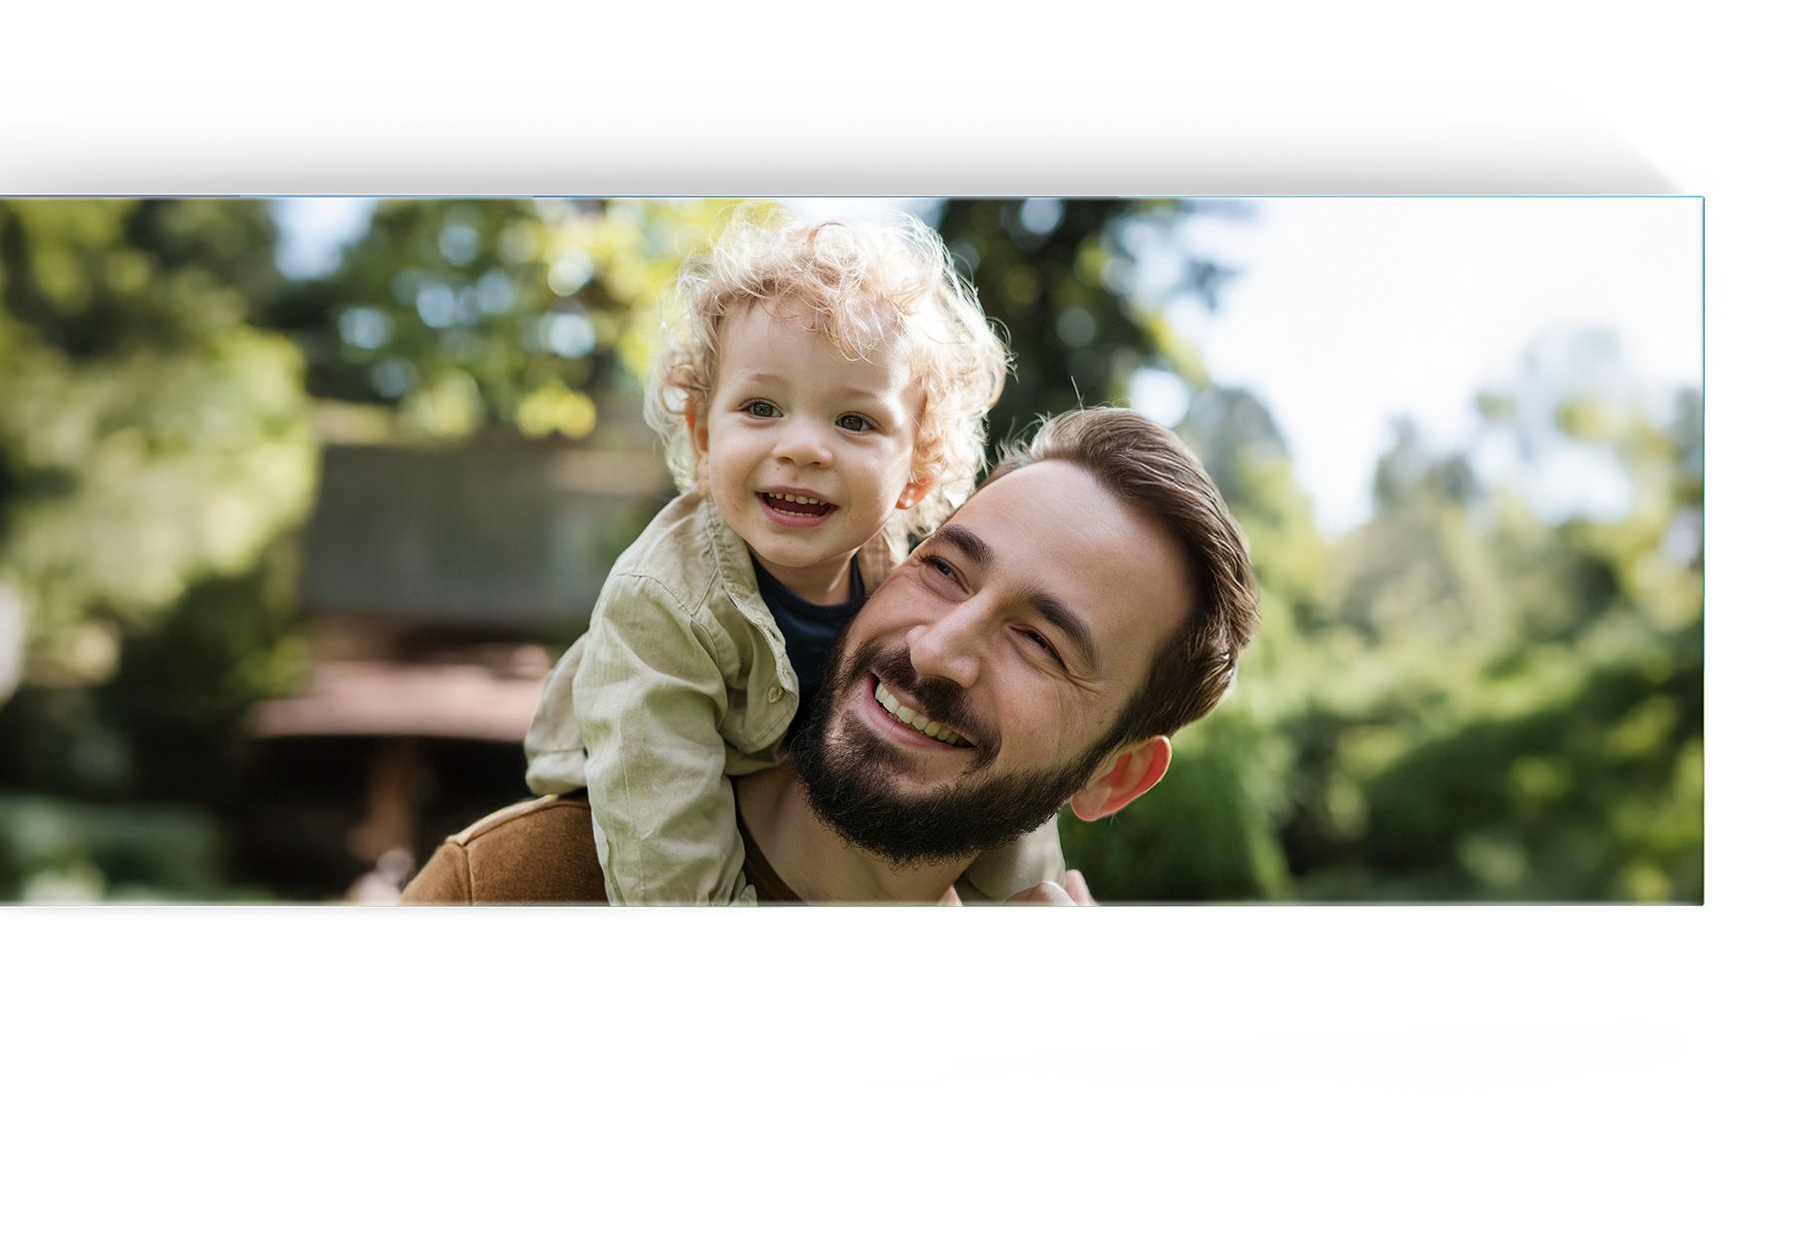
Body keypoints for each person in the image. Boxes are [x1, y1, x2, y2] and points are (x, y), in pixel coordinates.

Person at [401, 406, 1260, 905]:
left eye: (1038, 641)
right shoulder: (513, 888)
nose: (937, 648)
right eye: (946, 570)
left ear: (1111, 776)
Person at [519, 209, 1066, 905]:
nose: (803, 447)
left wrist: (1034, 902)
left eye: (855, 421)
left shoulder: (899, 578)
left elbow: (1001, 773)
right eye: (761, 408)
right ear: (703, 432)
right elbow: (663, 850)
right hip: (634, 790)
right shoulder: (661, 600)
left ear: (917, 474)